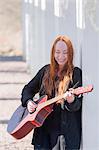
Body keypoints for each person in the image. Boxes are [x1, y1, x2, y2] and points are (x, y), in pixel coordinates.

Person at [21, 35, 82, 150]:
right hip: (43, 130)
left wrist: (71, 100)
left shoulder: (76, 73)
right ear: (53, 53)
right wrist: (29, 102)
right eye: (57, 52)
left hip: (64, 133)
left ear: (71, 54)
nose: (61, 56)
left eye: (65, 52)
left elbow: (77, 105)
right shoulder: (45, 71)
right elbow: (28, 89)